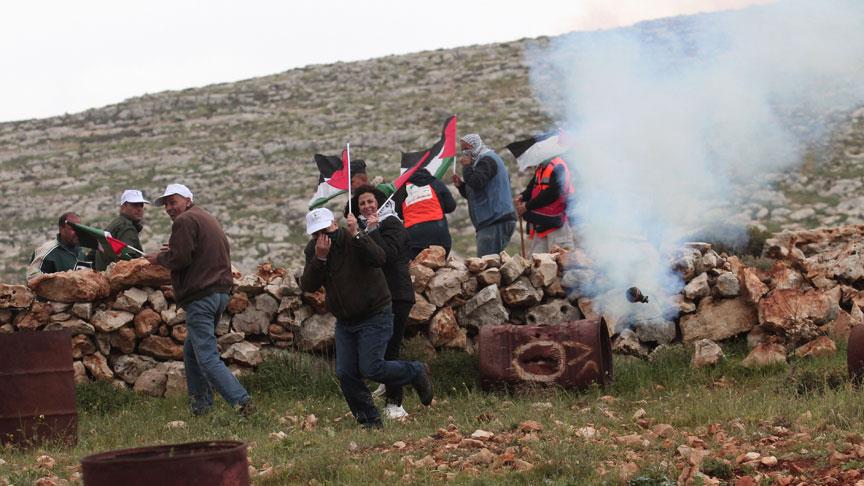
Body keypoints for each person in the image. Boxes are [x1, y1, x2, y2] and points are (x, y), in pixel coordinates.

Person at [300, 207, 433, 428]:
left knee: (372, 368)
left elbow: (379, 258)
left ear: (334, 223)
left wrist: (359, 235)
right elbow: (308, 285)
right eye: (316, 234)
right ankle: (370, 422)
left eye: (326, 230)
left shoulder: (352, 238)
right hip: (346, 320)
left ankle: (415, 371)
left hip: (374, 312)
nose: (322, 237)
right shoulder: (314, 250)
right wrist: (320, 259)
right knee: (346, 373)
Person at [144, 183, 253, 416]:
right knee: (192, 353)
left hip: (201, 296)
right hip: (219, 293)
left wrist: (159, 258)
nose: (169, 208)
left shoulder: (184, 221)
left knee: (206, 356)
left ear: (187, 199)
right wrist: (173, 251)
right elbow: (194, 251)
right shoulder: (204, 217)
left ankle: (241, 401)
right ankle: (201, 407)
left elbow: (181, 259)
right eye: (166, 204)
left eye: (173, 202)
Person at [346, 185, 415, 419]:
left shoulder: (392, 224)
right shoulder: (364, 229)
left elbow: (386, 257)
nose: (366, 206)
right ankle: (387, 388)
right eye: (362, 204)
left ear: (380, 203)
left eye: (370, 202)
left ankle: (396, 403)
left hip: (397, 294)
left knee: (391, 349)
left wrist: (373, 231)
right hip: (378, 298)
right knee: (381, 351)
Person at [452, 134, 517, 257]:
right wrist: (461, 186)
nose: (465, 152)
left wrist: (466, 166)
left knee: (486, 266)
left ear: (475, 146)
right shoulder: (480, 162)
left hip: (495, 220)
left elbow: (476, 183)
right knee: (491, 266)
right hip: (492, 221)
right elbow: (477, 193)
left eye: (467, 148)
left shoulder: (487, 160)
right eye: (463, 149)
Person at [515, 156, 576, 255]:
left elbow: (552, 193)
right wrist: (522, 196)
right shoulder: (542, 167)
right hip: (542, 222)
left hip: (556, 224)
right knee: (536, 264)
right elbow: (532, 186)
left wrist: (527, 206)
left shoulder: (558, 166)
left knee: (561, 261)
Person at [393, 169, 456, 258]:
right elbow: (451, 206)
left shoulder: (401, 188)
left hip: (414, 235)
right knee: (440, 267)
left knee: (417, 268)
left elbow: (398, 213)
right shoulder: (434, 182)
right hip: (439, 233)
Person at [93, 189, 149, 271]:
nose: (139, 209)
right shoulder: (126, 226)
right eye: (135, 205)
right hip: (117, 279)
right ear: (123, 207)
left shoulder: (116, 224)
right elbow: (129, 260)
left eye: (141, 205)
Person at [27, 212, 91, 282]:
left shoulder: (80, 252)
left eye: (79, 229)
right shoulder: (46, 252)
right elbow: (32, 280)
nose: (77, 232)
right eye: (73, 229)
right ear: (61, 229)